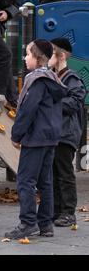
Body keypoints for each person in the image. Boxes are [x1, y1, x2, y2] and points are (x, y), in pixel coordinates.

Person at [5, 39, 67, 239]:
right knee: (45, 181)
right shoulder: (52, 78)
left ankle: (27, 223)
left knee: (25, 181)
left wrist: (16, 135)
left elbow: (27, 111)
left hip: (36, 137)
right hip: (50, 136)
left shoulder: (36, 80)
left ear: (38, 58)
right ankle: (45, 224)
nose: (25, 58)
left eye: (28, 54)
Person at [49, 37, 86, 227]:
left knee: (64, 173)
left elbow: (75, 101)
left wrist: (50, 103)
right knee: (53, 173)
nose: (48, 57)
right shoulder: (52, 76)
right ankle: (56, 210)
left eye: (51, 53)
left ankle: (68, 212)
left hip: (66, 134)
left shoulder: (71, 78)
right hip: (55, 132)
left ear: (61, 56)